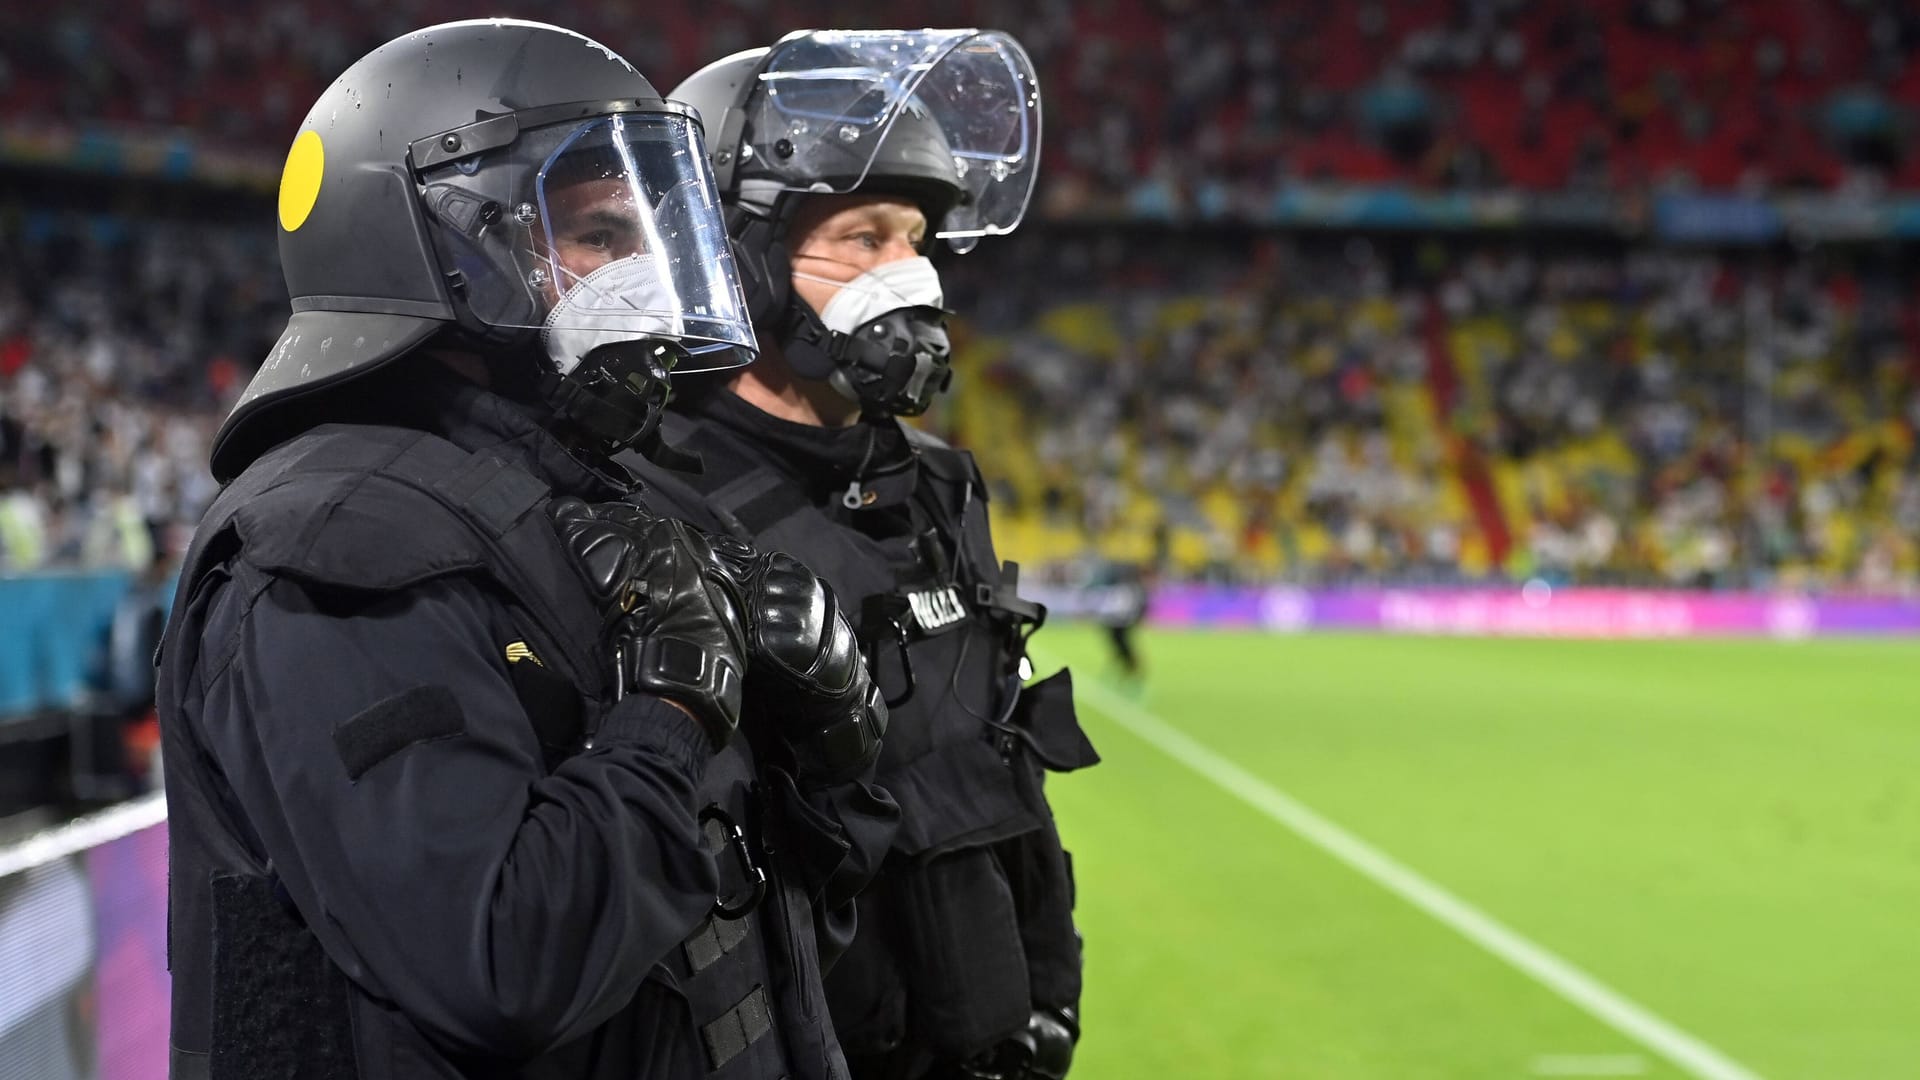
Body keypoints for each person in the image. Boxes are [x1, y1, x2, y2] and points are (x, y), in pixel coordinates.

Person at [156, 20, 894, 1080]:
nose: (646, 271)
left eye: (651, 227)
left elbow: (764, 938)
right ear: (441, 243)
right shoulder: (334, 553)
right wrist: (673, 713)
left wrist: (825, 758)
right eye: (599, 236)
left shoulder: (604, 492)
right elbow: (503, 968)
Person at [623, 30, 1097, 1080]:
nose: (911, 274)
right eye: (865, 237)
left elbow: (1003, 772)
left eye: (918, 237)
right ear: (737, 259)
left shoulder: (939, 489)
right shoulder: (654, 499)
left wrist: (1050, 995)